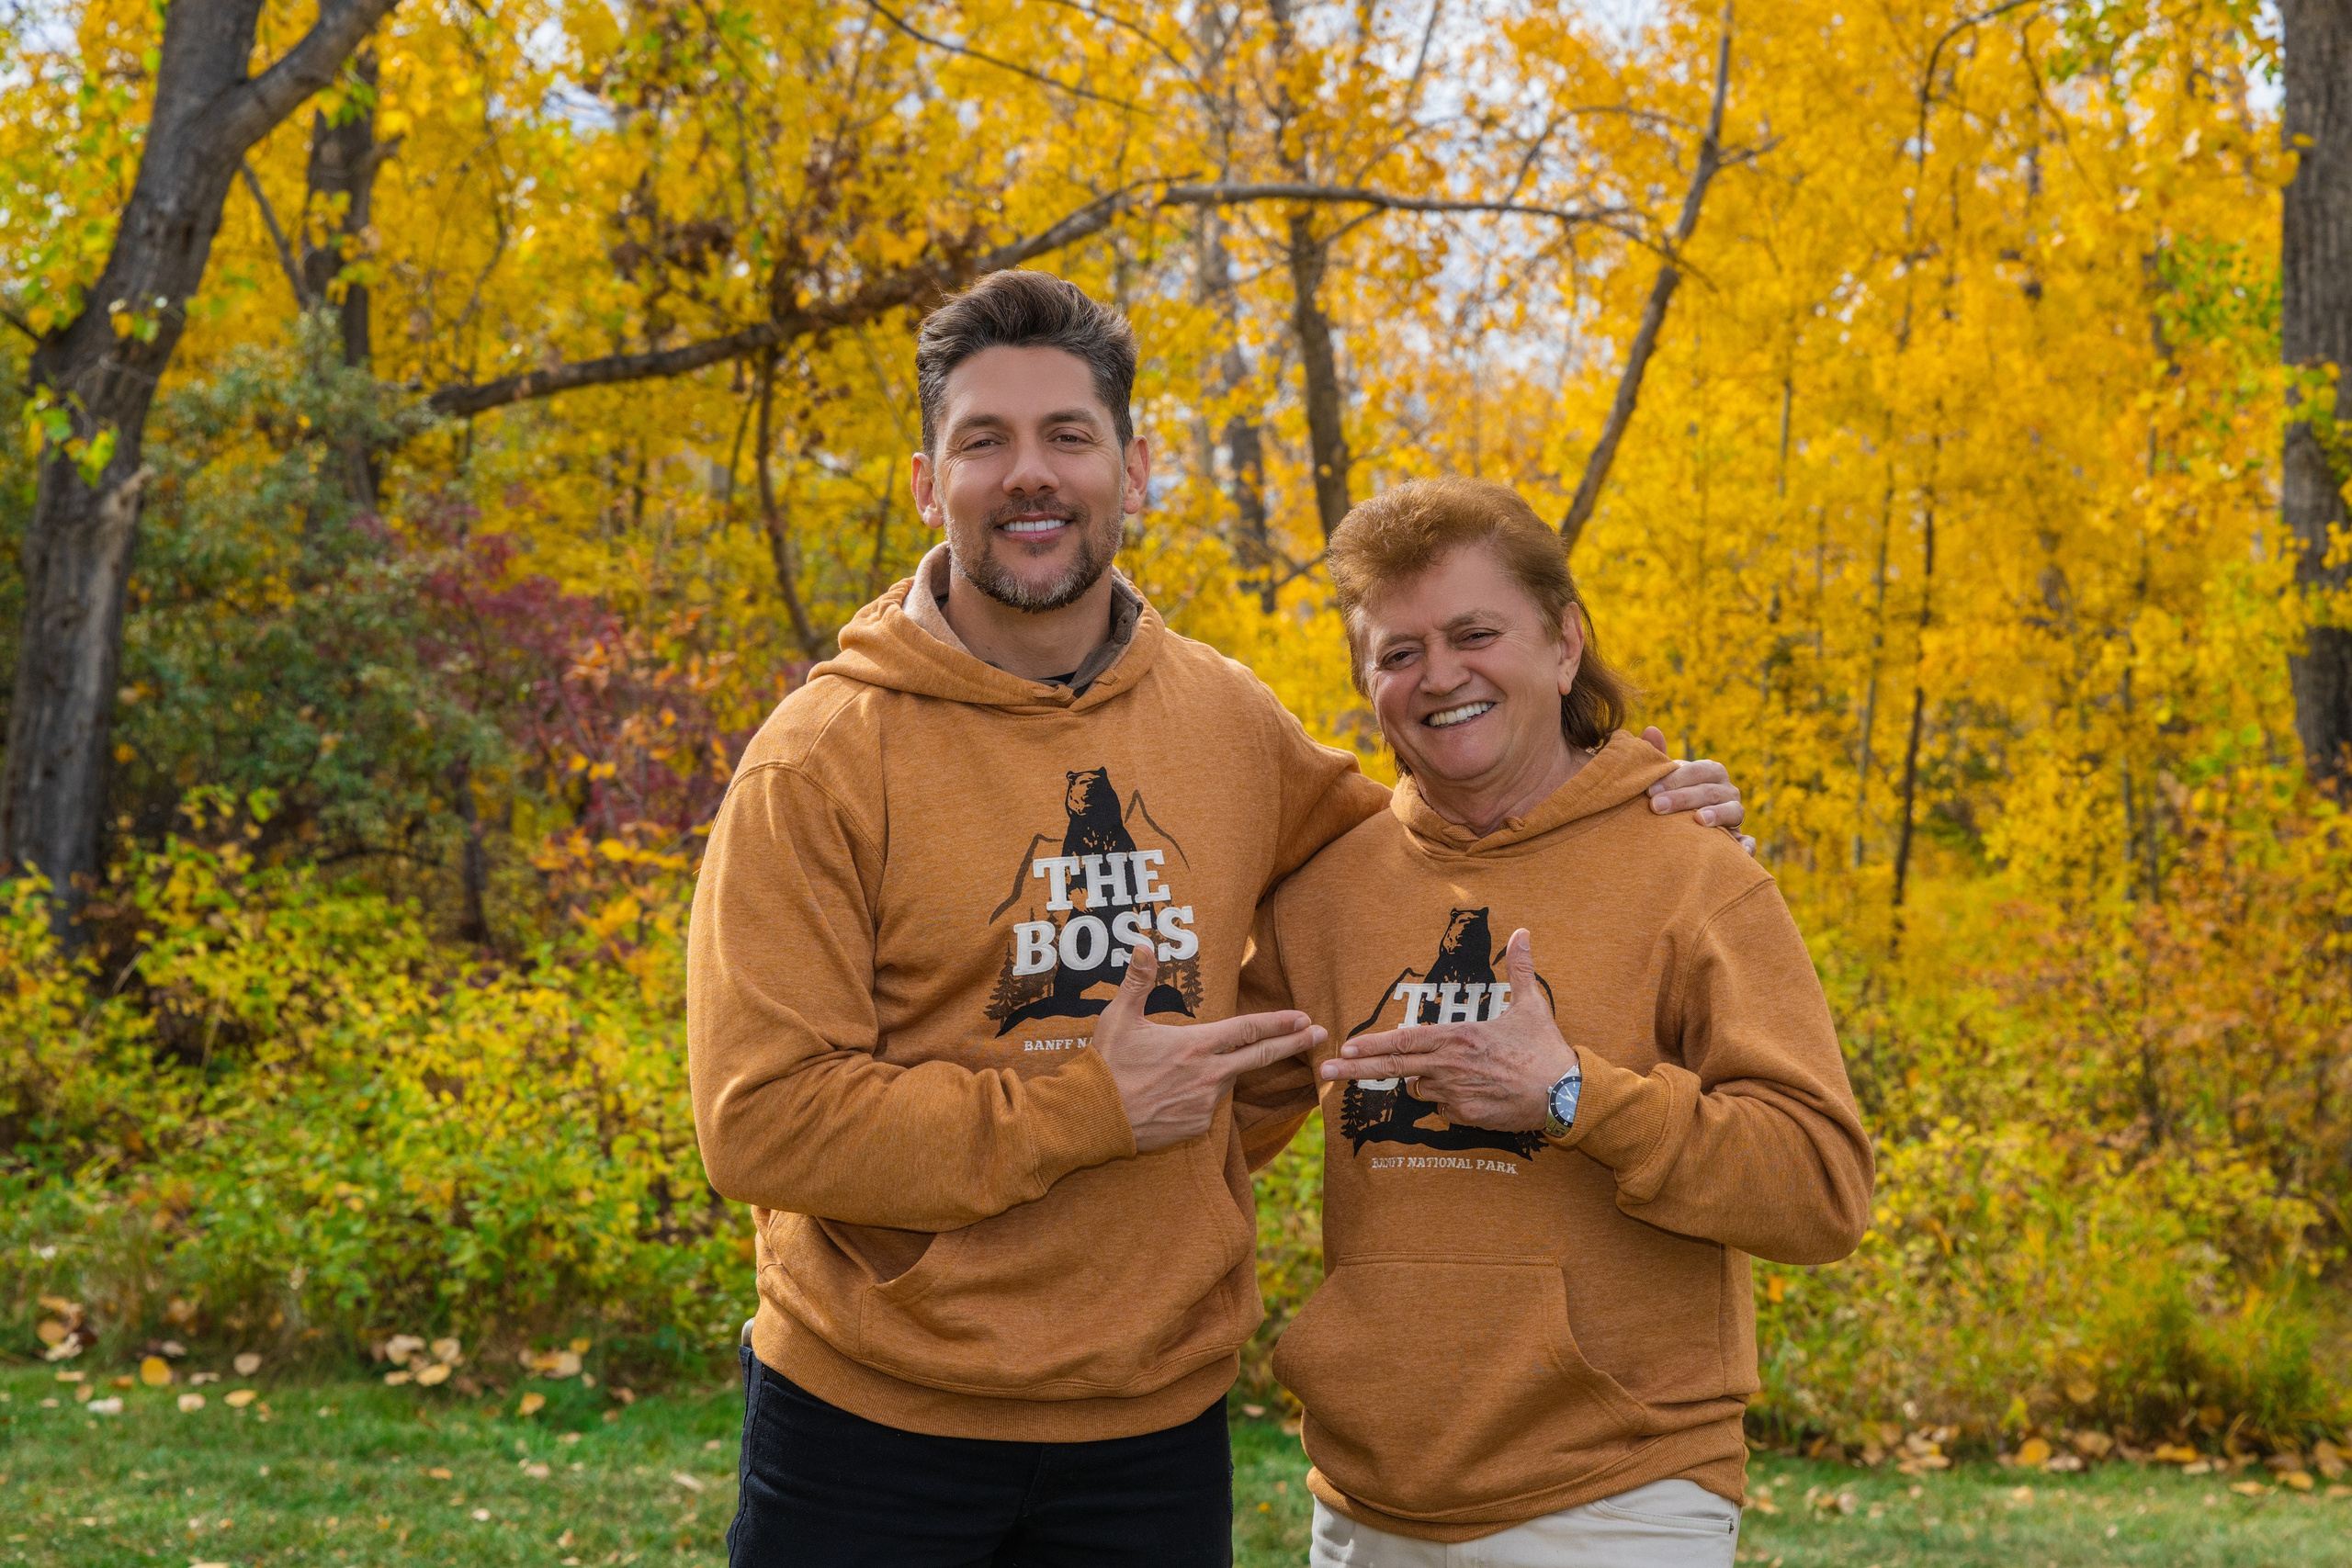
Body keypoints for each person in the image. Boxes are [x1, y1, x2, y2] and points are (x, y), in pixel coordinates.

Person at [686, 273, 1747, 1566]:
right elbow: (759, 1122)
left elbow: (1443, 833)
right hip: (872, 1418)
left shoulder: (1225, 720)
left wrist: (1631, 798)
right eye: (984, 440)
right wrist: (1089, 1110)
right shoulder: (819, 760)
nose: (1031, 473)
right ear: (927, 484)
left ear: (1133, 471)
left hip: (1152, 1425)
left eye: (1068, 435)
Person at [1237, 477, 1871, 1568]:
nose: (1440, 676)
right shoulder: (1325, 891)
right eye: (1398, 653)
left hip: (1615, 1497)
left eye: (1474, 634)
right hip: (1366, 1502)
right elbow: (1200, 1132)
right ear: (1365, 683)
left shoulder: (1694, 874)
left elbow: (1820, 1192)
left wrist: (1571, 1094)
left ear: (1564, 644)